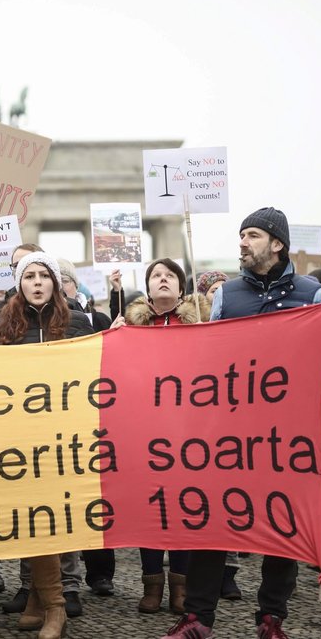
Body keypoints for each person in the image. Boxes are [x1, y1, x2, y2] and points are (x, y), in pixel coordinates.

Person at [163, 207, 321, 639]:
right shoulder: (227, 296)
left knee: (281, 524)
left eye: (251, 235)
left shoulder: (314, 297)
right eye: (241, 235)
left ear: (277, 243)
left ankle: (272, 619)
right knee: (213, 522)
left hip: (291, 436)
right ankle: (198, 619)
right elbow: (209, 360)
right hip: (230, 435)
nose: (242, 243)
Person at [0, 251, 94, 639]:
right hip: (20, 439)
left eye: (42, 275)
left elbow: (94, 375)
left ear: (54, 282)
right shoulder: (4, 326)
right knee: (31, 518)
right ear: (20, 284)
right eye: (28, 276)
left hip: (64, 438)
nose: (36, 282)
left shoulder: (77, 322)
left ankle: (55, 606)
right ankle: (42, 600)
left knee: (54, 518)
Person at [111, 258, 210, 616]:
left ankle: (180, 585)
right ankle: (151, 583)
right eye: (156, 276)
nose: (163, 280)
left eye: (170, 275)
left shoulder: (200, 324)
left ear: (181, 288)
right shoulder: (132, 325)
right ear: (148, 288)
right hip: (145, 430)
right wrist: (114, 334)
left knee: (184, 507)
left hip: (186, 430)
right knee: (151, 508)